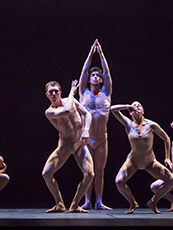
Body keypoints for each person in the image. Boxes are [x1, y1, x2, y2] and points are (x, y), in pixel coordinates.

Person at [111, 102, 173, 214]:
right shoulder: (128, 123)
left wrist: (167, 158)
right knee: (119, 181)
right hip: (133, 161)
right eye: (134, 106)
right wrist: (127, 106)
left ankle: (153, 202)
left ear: (143, 111)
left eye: (139, 106)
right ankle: (133, 203)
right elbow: (113, 109)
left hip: (150, 162)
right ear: (131, 112)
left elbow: (166, 138)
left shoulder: (151, 125)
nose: (136, 107)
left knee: (171, 180)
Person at [42, 80, 94, 213]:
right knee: (46, 173)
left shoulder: (71, 100)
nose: (53, 94)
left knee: (89, 174)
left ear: (60, 92)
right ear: (47, 95)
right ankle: (59, 203)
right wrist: (72, 91)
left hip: (80, 144)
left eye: (55, 91)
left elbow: (87, 114)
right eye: (50, 92)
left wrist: (86, 129)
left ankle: (75, 205)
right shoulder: (49, 112)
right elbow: (66, 111)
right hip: (65, 145)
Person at [79, 39, 113, 210]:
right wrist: (90, 53)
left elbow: (107, 72)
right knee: (88, 172)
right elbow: (84, 71)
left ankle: (99, 201)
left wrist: (101, 54)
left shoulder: (106, 94)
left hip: (101, 139)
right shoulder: (83, 92)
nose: (96, 77)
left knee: (99, 171)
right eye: (94, 75)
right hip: (86, 139)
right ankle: (87, 201)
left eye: (98, 76)